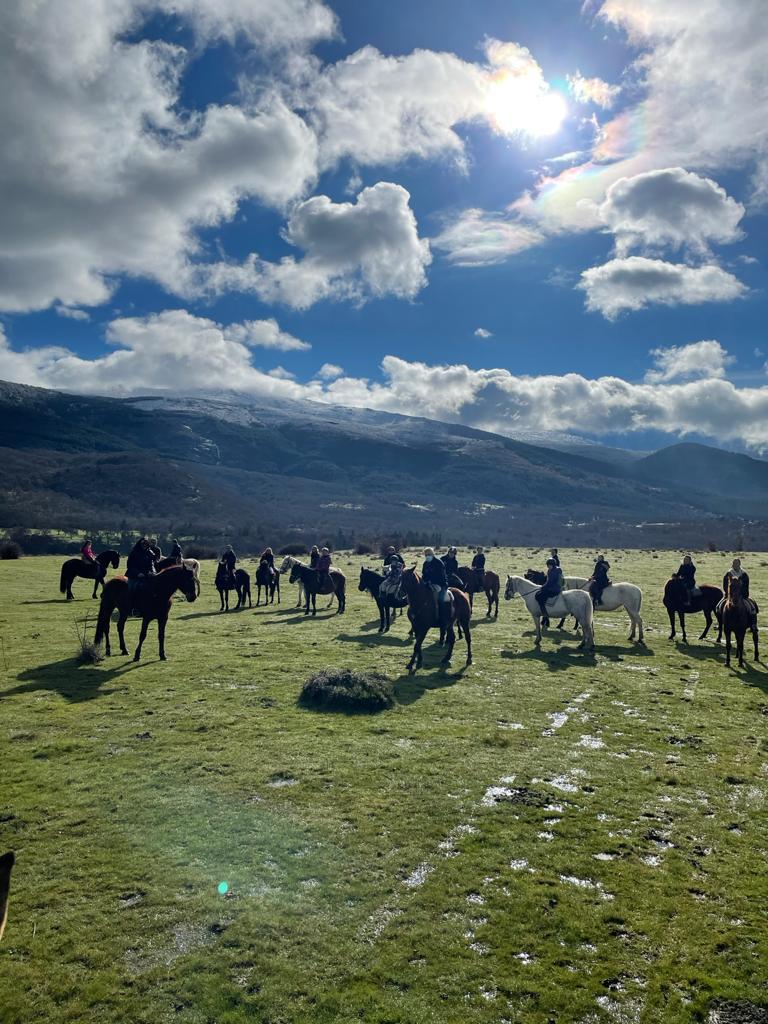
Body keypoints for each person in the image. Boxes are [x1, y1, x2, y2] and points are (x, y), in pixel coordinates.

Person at [422, 546, 449, 625]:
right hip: (429, 584)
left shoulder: (439, 563)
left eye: (429, 554)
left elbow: (441, 576)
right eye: (426, 554)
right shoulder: (425, 563)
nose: (427, 556)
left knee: (440, 599)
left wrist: (431, 581)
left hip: (441, 584)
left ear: (433, 554)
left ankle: (443, 618)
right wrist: (424, 581)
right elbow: (424, 575)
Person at [126, 537, 156, 604]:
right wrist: (138, 573)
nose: (144, 546)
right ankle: (132, 606)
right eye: (143, 544)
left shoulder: (149, 552)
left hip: (147, 574)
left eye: (146, 544)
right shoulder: (134, 552)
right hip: (134, 575)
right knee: (132, 589)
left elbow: (151, 564)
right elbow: (130, 566)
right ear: (139, 544)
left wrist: (153, 572)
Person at [536, 557, 563, 623]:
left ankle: (544, 614)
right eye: (547, 565)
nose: (548, 566)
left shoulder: (555, 571)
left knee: (540, 597)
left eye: (549, 565)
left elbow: (550, 582)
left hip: (554, 589)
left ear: (552, 565)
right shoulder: (552, 570)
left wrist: (543, 587)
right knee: (539, 594)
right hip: (552, 587)